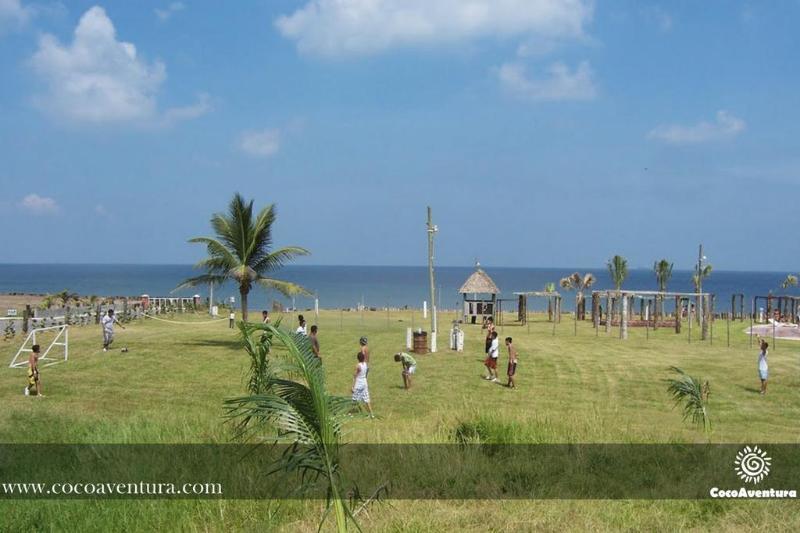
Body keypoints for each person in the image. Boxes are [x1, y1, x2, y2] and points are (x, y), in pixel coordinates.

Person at [352, 352, 374, 418]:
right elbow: (367, 371)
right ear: (363, 358)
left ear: (358, 358)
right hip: (364, 382)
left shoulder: (358, 366)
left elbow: (355, 375)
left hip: (359, 383)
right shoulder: (365, 364)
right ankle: (371, 414)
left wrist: (352, 386)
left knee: (354, 399)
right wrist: (365, 377)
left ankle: (353, 413)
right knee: (366, 399)